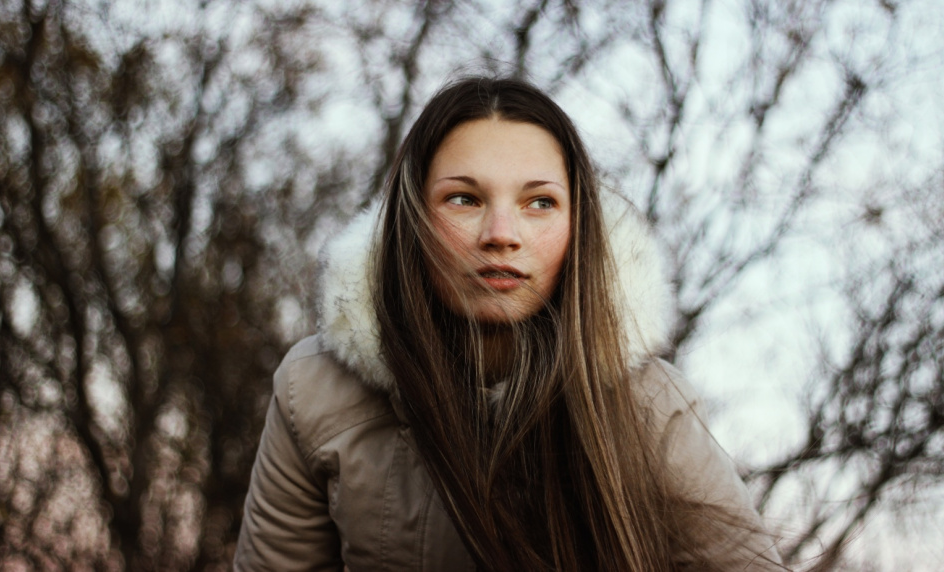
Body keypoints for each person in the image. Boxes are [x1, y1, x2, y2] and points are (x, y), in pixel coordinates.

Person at [234, 77, 783, 571]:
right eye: (463, 199)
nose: (501, 234)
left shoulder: (650, 406)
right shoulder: (315, 389)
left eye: (539, 203)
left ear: (580, 228)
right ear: (412, 221)